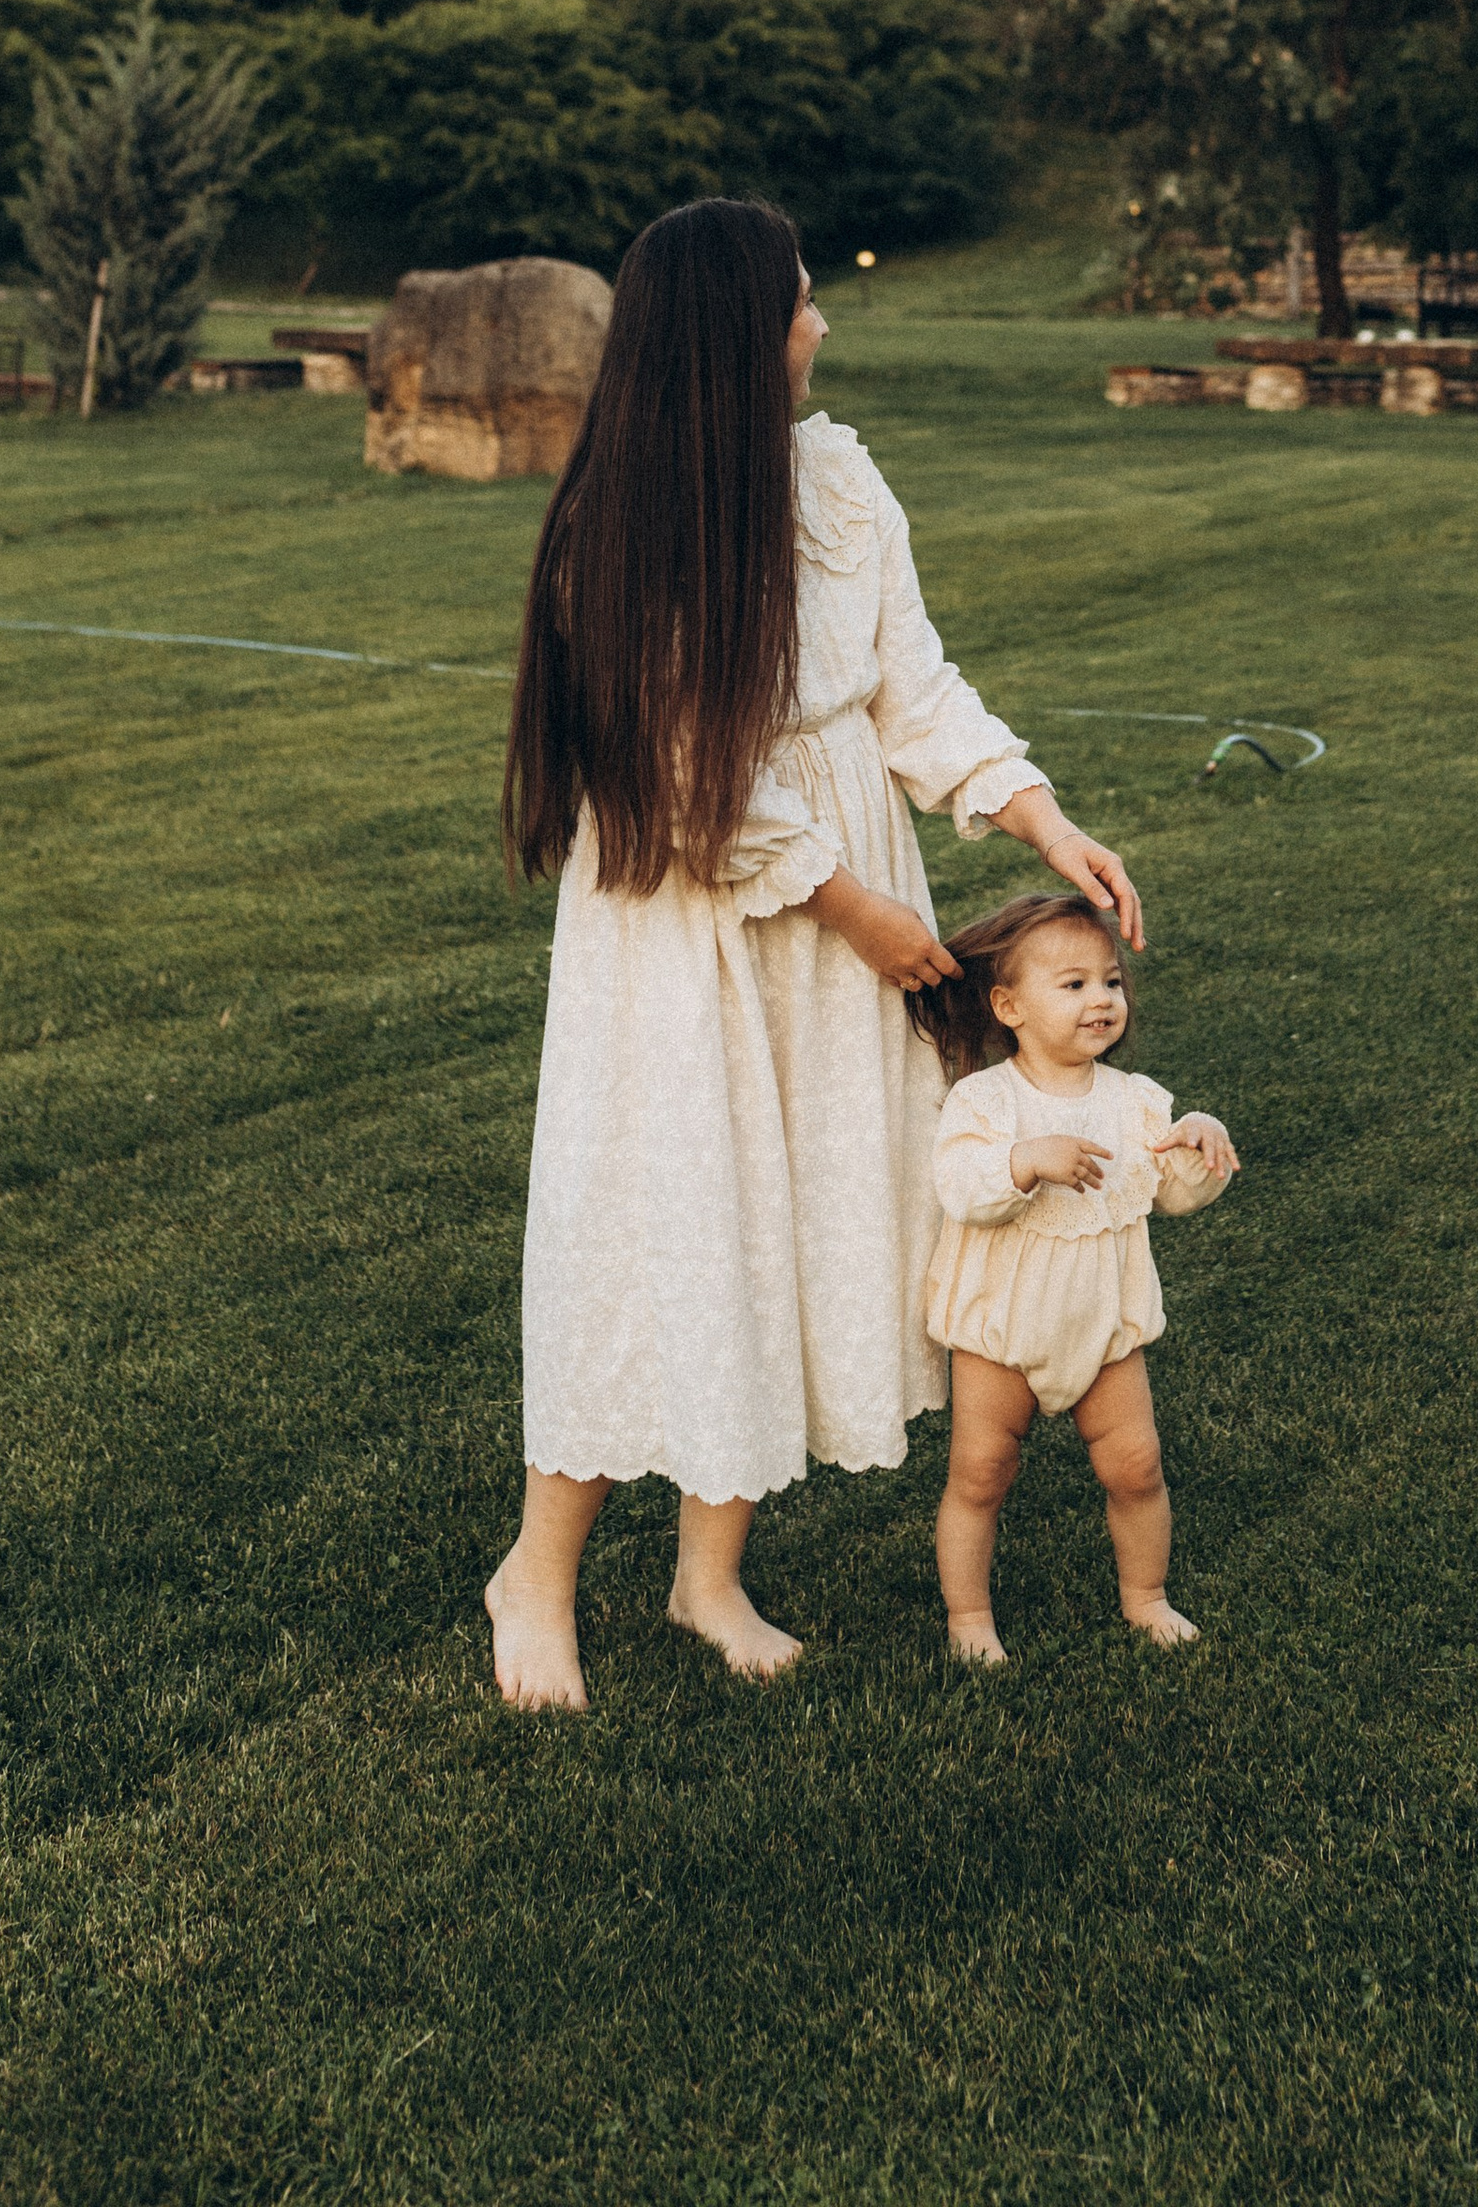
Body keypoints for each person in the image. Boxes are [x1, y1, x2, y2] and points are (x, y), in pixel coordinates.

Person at [487, 198, 1140, 1714]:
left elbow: (914, 685)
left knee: (787, 1226)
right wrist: (857, 912)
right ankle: (537, 1573)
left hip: (850, 886)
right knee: (660, 1227)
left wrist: (1042, 824)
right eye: (798, 303)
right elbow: (676, 770)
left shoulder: (835, 480)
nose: (822, 325)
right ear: (732, 335)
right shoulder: (619, 523)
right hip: (697, 923)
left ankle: (708, 1571)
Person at [909, 891, 1238, 1665]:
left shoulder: (1136, 1103)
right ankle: (970, 1618)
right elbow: (960, 1186)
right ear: (1009, 1006)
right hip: (1002, 1329)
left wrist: (1199, 1145)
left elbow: (1175, 1194)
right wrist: (1024, 1161)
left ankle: (1145, 1596)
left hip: (1107, 1328)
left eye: (1111, 982)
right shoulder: (984, 1099)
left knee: (1137, 1466)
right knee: (981, 1473)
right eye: (1074, 984)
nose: (1102, 1000)